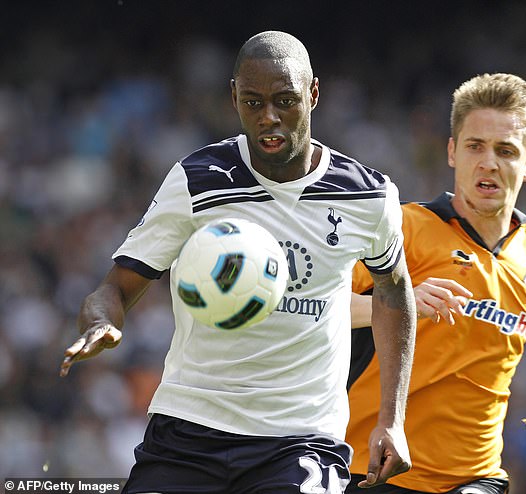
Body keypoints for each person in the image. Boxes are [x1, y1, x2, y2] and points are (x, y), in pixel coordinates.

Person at [59, 31, 417, 493]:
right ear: (233, 97)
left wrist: (393, 421)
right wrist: (101, 321)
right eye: (252, 102)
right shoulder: (198, 179)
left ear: (313, 93)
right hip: (189, 427)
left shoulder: (367, 195)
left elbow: (393, 290)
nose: (269, 117)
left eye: (285, 100)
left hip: (299, 440)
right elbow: (115, 287)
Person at [345, 73, 526, 493]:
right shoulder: (400, 230)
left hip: (476, 480)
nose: (488, 162)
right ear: (452, 151)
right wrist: (400, 302)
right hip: (372, 469)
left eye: (506, 151)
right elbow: (319, 305)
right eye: (475, 146)